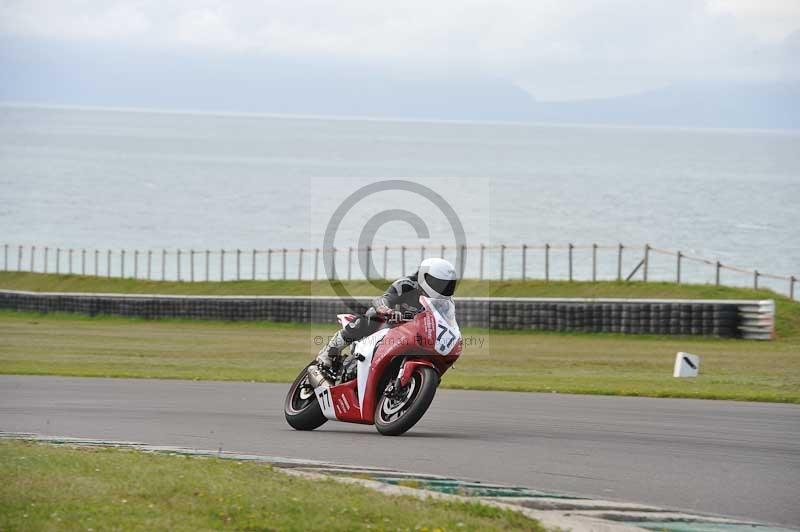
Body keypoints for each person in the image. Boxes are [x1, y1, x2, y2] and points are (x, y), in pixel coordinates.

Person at [316, 257, 458, 369]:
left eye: (446, 285)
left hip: (412, 335)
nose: (443, 288)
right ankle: (329, 351)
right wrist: (387, 310)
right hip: (388, 326)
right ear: (425, 277)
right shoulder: (406, 285)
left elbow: (446, 322)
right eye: (438, 283)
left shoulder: (445, 303)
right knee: (372, 315)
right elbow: (381, 300)